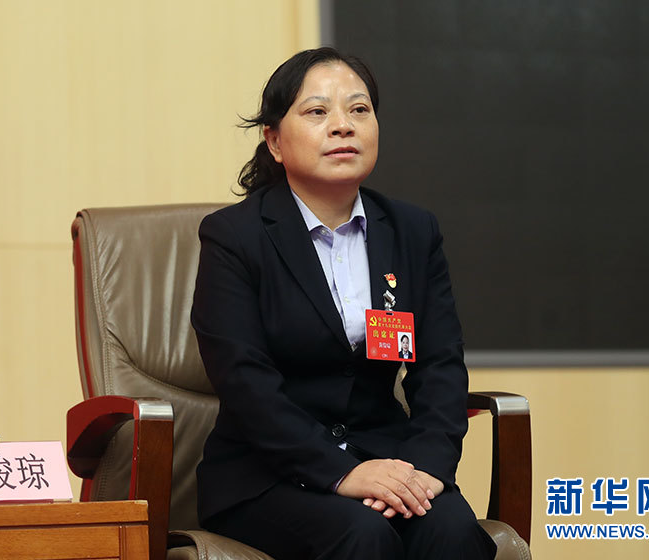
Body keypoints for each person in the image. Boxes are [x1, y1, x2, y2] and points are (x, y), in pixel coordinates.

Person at [190, 47, 495, 559]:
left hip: (390, 461)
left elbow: (440, 367)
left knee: (452, 532)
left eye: (359, 109)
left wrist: (426, 470)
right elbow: (245, 384)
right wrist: (342, 473)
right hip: (267, 475)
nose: (343, 125)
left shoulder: (412, 231)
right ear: (274, 141)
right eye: (317, 111)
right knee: (363, 535)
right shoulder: (234, 237)